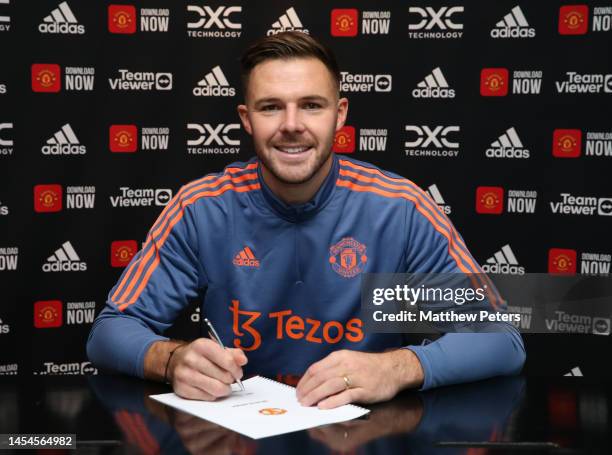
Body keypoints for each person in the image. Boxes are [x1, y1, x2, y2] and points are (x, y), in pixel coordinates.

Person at [87, 32, 525, 409]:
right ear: (246, 119)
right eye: (271, 107)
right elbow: (110, 332)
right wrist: (170, 360)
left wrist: (397, 368)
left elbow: (502, 340)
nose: (291, 125)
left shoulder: (399, 209)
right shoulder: (202, 208)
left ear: (340, 114)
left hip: (363, 436)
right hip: (239, 434)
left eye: (312, 105)